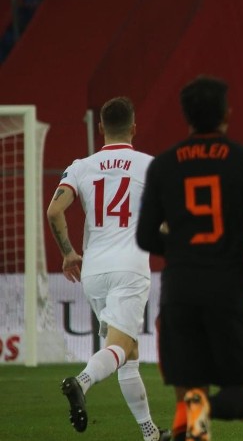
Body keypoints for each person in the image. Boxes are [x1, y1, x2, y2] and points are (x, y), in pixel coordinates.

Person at [136, 77, 243, 441]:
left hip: (179, 291)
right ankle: (201, 412)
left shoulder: (163, 166)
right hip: (227, 289)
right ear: (226, 114)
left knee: (190, 390)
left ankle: (194, 418)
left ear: (186, 115)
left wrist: (183, 250)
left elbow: (144, 236)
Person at [47, 97, 169, 441]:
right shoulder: (150, 166)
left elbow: (54, 212)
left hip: (93, 268)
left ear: (101, 129)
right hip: (130, 266)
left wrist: (69, 253)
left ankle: (150, 433)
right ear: (134, 127)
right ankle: (81, 382)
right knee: (120, 346)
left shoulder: (81, 165)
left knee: (127, 352)